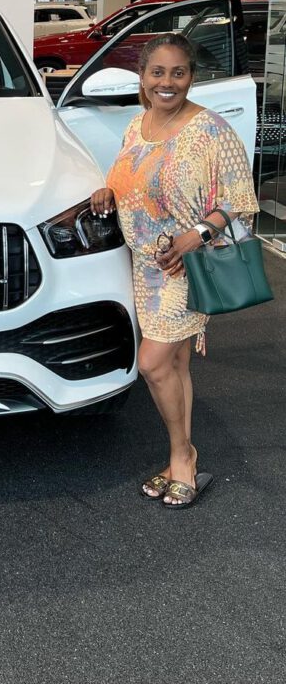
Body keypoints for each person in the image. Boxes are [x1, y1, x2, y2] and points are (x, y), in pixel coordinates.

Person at [91, 33, 258, 509]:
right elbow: (131, 180)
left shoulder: (211, 131)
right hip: (142, 267)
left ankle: (182, 455)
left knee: (153, 363)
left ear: (191, 77)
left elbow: (239, 202)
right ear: (142, 78)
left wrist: (194, 237)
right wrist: (108, 192)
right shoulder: (134, 125)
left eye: (178, 73)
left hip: (184, 268)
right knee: (176, 365)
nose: (168, 83)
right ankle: (179, 458)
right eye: (158, 73)